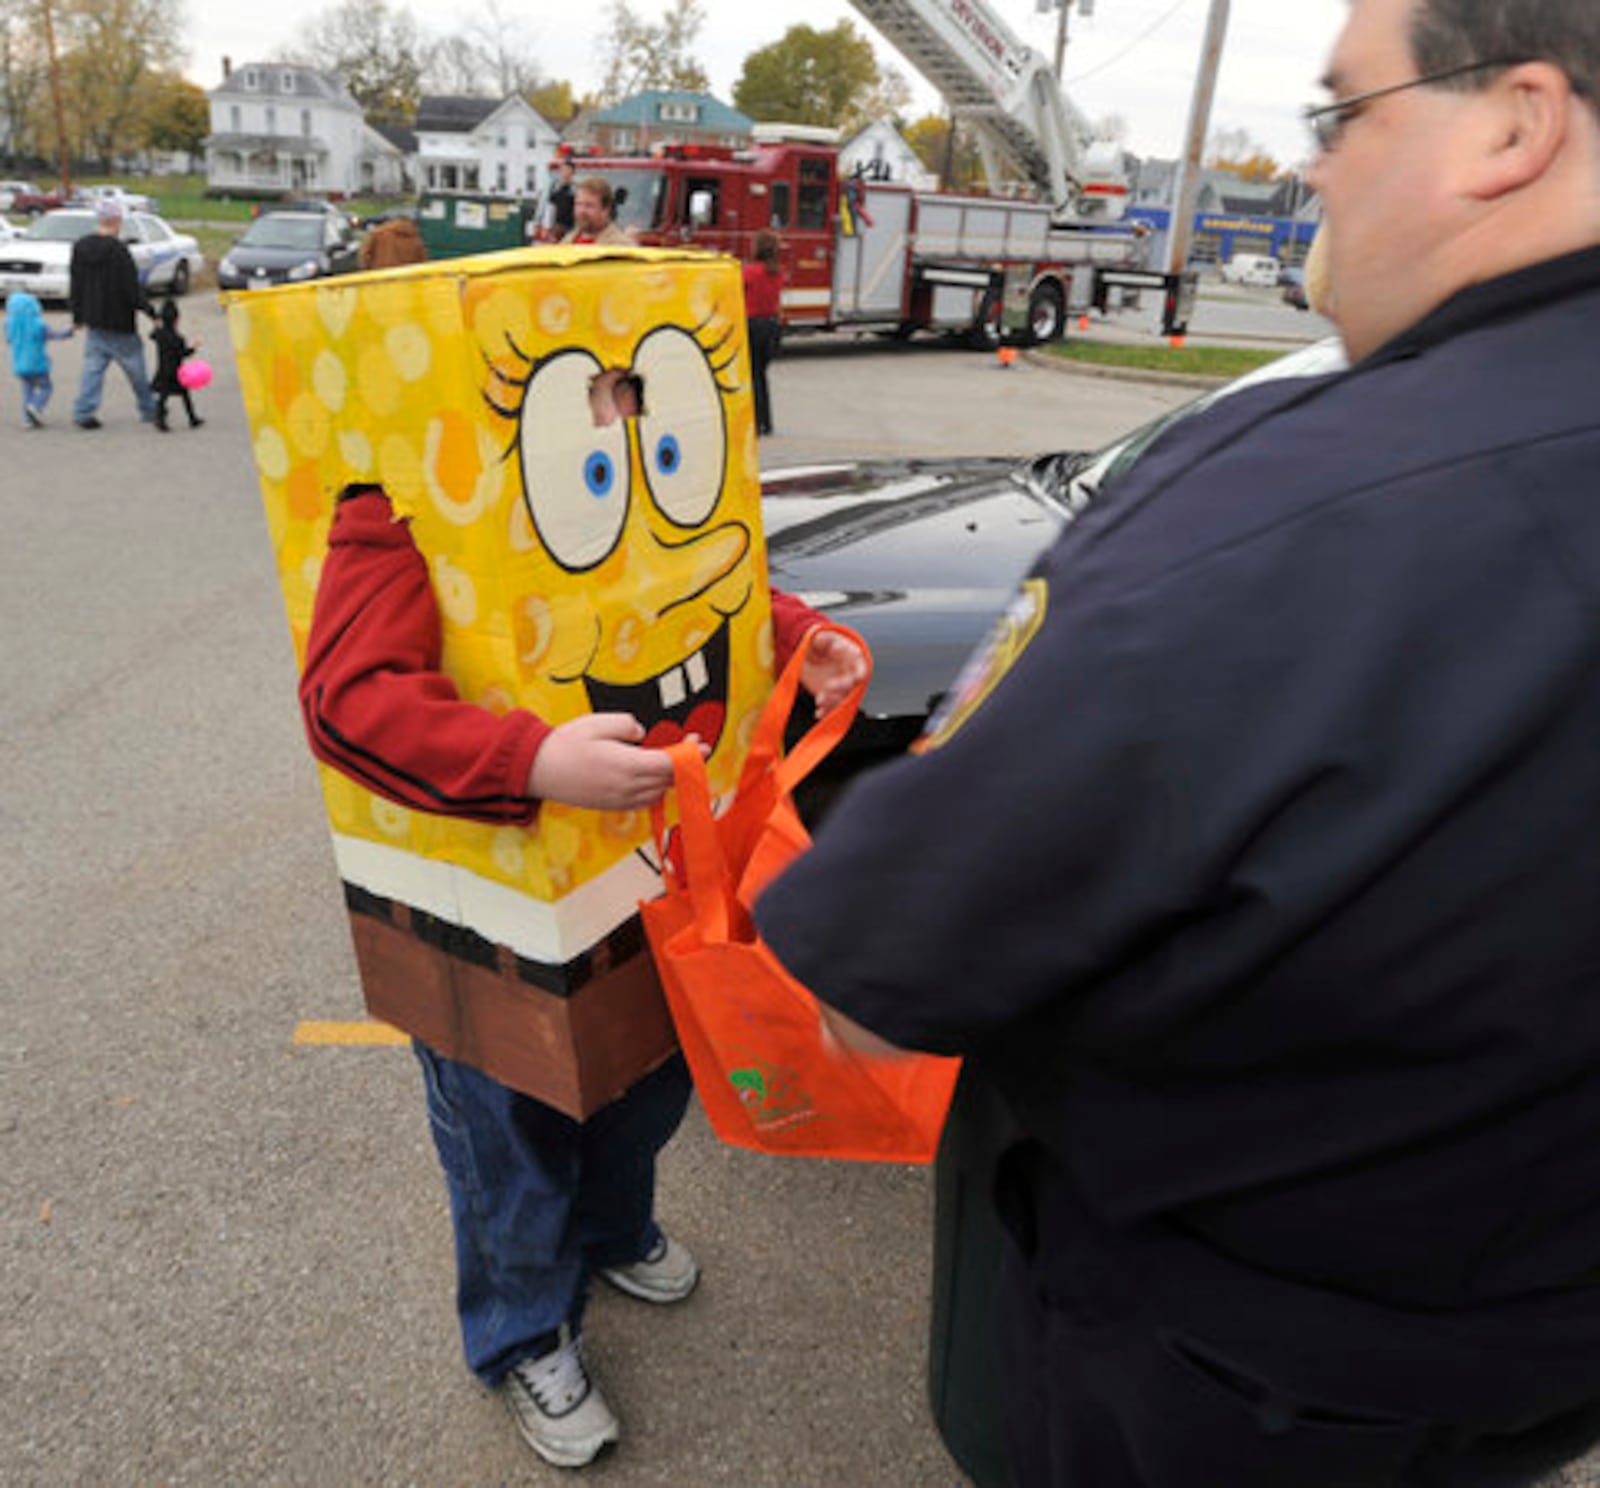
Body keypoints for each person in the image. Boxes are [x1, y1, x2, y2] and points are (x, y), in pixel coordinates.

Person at [756, 2, 1600, 1485]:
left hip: (1234, 1382)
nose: (1322, 172)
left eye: (1347, 114)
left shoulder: (1275, 516)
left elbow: (877, 996)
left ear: (1515, 123)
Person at [298, 368, 867, 1470]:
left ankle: (608, 1234)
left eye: (632, 397)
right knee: (507, 1144)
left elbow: (699, 588)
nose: (620, 422)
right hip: (491, 922)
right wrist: (531, 758)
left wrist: (800, 635)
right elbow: (347, 701)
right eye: (592, 403)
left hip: (652, 888)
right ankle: (524, 1330)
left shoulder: (652, 468)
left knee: (645, 1087)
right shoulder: (394, 504)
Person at [68, 196, 156, 431]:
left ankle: (83, 412)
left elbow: (76, 284)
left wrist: (77, 316)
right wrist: (152, 313)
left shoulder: (80, 247)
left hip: (94, 320)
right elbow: (131, 289)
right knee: (136, 370)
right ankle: (150, 409)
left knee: (92, 369)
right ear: (116, 221)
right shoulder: (119, 251)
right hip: (120, 322)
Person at [4, 289, 72, 429]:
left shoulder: (10, 325)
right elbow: (55, 335)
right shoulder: (38, 324)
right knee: (46, 387)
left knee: (27, 390)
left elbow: (9, 340)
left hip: (19, 365)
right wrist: (69, 332)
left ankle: (28, 419)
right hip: (37, 363)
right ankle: (36, 406)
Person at [742, 230, 783, 438]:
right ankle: (766, 421)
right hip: (772, 326)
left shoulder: (749, 271)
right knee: (761, 375)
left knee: (751, 375)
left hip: (753, 325)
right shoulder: (776, 272)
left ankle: (756, 421)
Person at [149, 299, 203, 432]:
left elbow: (151, 335)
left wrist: (157, 325)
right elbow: (184, 354)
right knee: (185, 395)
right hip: (176, 372)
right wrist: (194, 347)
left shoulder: (160, 335)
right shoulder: (178, 339)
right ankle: (192, 419)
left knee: (163, 396)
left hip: (163, 370)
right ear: (176, 320)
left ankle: (160, 420)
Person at [562, 177, 630, 246]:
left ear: (605, 209)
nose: (582, 211)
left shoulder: (621, 246)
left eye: (589, 205)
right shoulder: (566, 242)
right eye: (579, 204)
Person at [358, 213, 428, 271]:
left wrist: (368, 271)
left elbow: (365, 255)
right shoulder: (416, 240)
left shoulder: (378, 233)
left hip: (380, 277)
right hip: (405, 281)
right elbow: (422, 263)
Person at [545, 157, 576, 239]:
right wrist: (548, 227)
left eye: (568, 170)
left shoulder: (575, 190)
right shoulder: (555, 188)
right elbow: (550, 208)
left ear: (573, 173)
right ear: (560, 171)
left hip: (571, 228)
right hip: (557, 227)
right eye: (564, 170)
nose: (566, 173)